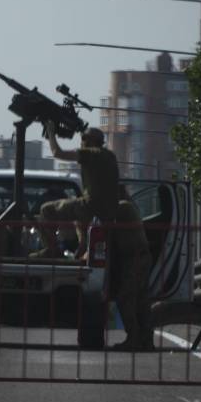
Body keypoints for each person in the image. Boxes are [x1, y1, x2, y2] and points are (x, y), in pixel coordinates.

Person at [36, 122, 119, 258]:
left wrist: (51, 132)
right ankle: (82, 247)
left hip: (90, 206)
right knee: (78, 215)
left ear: (92, 141)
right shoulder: (110, 156)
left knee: (46, 210)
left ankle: (51, 249)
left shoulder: (90, 153)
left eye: (84, 138)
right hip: (107, 211)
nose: (81, 142)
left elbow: (57, 153)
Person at [110, 185, 153, 351]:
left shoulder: (122, 207)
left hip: (135, 258)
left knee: (125, 298)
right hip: (140, 257)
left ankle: (133, 338)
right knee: (141, 301)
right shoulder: (130, 206)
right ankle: (146, 340)